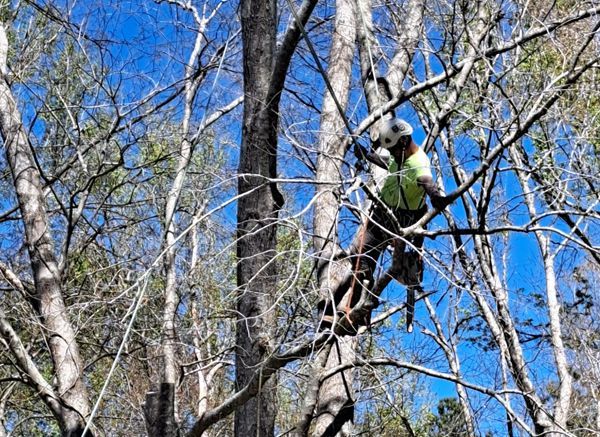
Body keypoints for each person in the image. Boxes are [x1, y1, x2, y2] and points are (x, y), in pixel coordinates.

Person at [352, 117, 450, 332]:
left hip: (403, 220)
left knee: (397, 266)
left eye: (394, 149)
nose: (393, 153)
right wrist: (367, 155)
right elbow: (391, 164)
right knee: (360, 254)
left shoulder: (419, 164)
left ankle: (366, 302)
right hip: (382, 213)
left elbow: (426, 181)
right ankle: (358, 307)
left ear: (404, 142)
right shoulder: (400, 153)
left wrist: (436, 197)